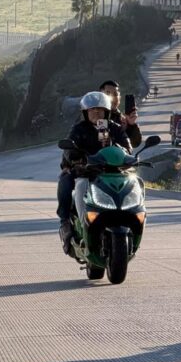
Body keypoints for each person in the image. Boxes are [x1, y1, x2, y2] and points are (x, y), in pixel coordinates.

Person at [57, 91, 134, 256]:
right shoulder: (78, 129)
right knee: (69, 182)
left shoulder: (115, 128)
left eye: (100, 110)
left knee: (134, 182)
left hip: (111, 172)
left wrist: (112, 145)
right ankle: (69, 222)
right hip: (86, 173)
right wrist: (75, 159)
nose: (96, 113)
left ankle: (129, 217)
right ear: (85, 113)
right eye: (92, 110)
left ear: (107, 112)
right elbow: (68, 150)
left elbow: (128, 149)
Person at [99, 80, 141, 148]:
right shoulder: (97, 117)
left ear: (119, 97)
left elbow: (134, 143)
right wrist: (120, 130)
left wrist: (131, 125)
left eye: (115, 94)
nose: (113, 98)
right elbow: (103, 144)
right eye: (108, 94)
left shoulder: (122, 118)